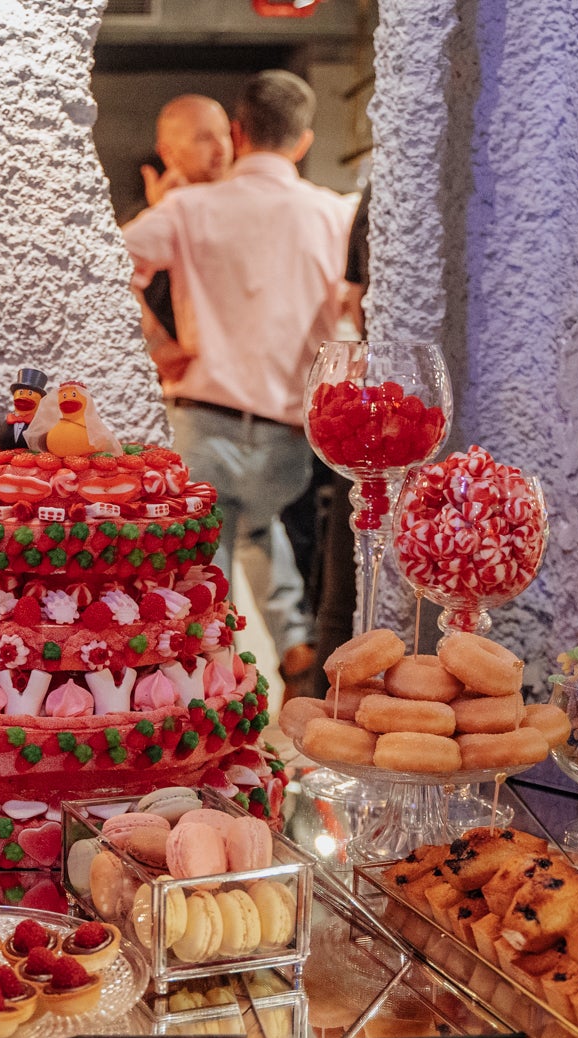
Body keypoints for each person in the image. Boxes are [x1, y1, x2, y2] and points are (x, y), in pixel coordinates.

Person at [122, 70, 353, 687]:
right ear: (303, 143)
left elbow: (106, 267)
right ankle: (294, 642)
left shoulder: (190, 207)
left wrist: (161, 346)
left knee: (203, 562)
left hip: (202, 419)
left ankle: (208, 694)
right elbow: (358, 312)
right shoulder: (335, 215)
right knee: (255, 523)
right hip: (289, 439)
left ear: (238, 131)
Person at [133, 95, 233, 354]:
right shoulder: (148, 217)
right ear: (168, 153)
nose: (221, 148)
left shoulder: (248, 206)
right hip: (179, 378)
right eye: (203, 138)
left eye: (224, 134)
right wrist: (156, 345)